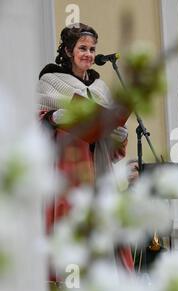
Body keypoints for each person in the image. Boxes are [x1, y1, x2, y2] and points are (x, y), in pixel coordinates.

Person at [37, 23, 134, 278]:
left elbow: (114, 150)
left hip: (100, 170)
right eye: (82, 48)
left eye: (92, 49)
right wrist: (55, 117)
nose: (89, 54)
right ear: (69, 50)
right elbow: (36, 124)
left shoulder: (101, 89)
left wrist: (118, 137)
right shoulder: (50, 81)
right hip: (68, 168)